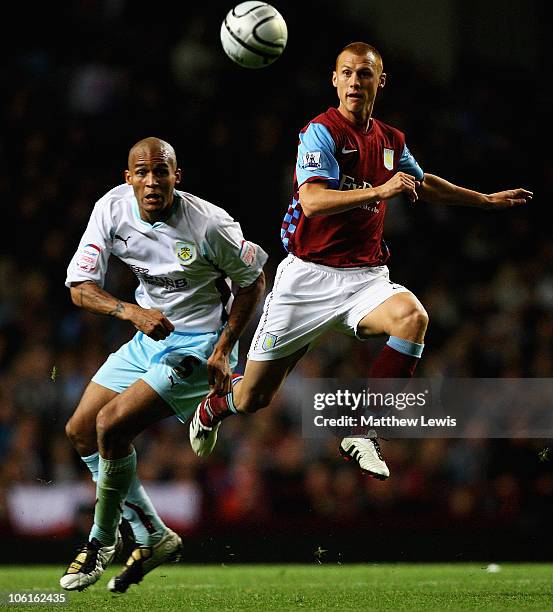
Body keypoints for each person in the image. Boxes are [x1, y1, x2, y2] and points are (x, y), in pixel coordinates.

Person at [189, 41, 532, 477]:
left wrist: (483, 200)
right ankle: (215, 406)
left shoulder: (390, 140)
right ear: (335, 80)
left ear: (379, 81)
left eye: (364, 74)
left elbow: (423, 184)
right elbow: (312, 201)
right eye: (347, 73)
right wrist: (379, 191)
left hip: (364, 278)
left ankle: (365, 431)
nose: (355, 80)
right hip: (306, 279)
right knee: (254, 398)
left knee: (412, 317)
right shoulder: (321, 132)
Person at [61, 137, 267, 592]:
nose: (152, 181)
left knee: (112, 425)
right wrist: (130, 312)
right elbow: (79, 286)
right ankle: (154, 535)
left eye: (162, 172)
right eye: (143, 172)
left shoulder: (210, 225)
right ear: (128, 177)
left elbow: (252, 282)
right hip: (147, 334)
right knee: (80, 429)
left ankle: (100, 542)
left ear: (177, 176)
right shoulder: (111, 210)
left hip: (200, 345)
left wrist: (224, 346)